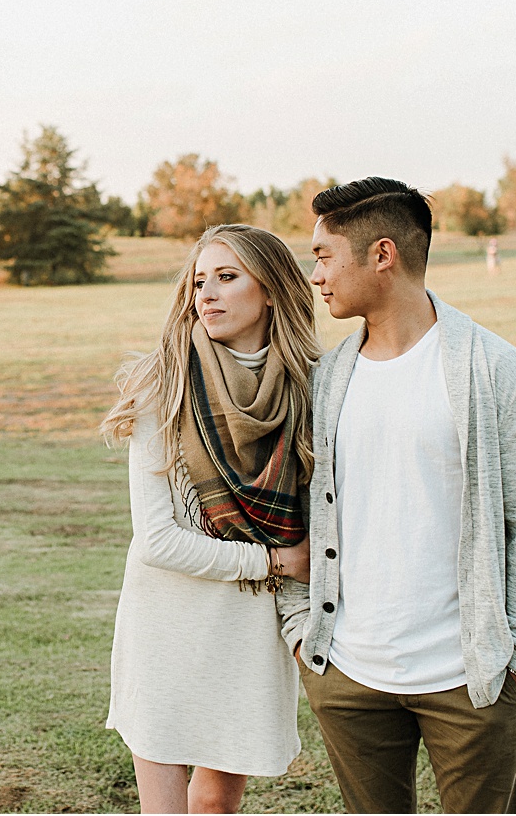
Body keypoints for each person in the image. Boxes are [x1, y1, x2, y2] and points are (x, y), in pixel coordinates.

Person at [277, 177, 516, 814]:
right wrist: (303, 630)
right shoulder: (326, 381)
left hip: (469, 678)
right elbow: (299, 512)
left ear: (383, 255)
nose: (315, 276)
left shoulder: (494, 370)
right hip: (347, 672)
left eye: (324, 256)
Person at [100, 224, 319, 814]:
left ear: (270, 289)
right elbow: (157, 541)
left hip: (248, 624)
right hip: (167, 620)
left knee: (219, 804)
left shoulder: (310, 389)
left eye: (227, 278)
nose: (208, 295)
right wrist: (275, 560)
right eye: (200, 281)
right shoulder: (162, 383)